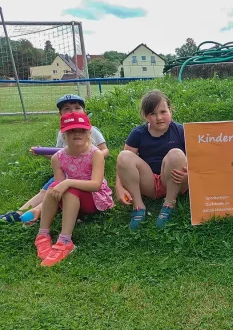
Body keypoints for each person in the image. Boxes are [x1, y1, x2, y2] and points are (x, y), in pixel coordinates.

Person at [0, 94, 109, 224]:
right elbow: (59, 155)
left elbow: (105, 149)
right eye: (67, 109)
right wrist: (43, 152)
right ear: (60, 114)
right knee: (47, 190)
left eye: (77, 108)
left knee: (59, 190)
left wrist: (94, 157)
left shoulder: (90, 130)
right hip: (67, 173)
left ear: (84, 112)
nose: (72, 111)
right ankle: (18, 213)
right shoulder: (63, 133)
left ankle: (37, 211)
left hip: (86, 173)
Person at [34, 112, 114, 267]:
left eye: (82, 130)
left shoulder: (95, 154)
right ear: (63, 135)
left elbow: (96, 184)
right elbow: (58, 189)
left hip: (95, 199)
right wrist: (64, 184)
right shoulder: (57, 157)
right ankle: (42, 235)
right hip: (72, 200)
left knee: (69, 189)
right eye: (71, 130)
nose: (77, 133)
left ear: (89, 133)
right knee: (54, 187)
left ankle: (65, 241)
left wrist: (68, 182)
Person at [115, 89, 188, 230]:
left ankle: (169, 205)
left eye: (163, 112)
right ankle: (138, 206)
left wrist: (189, 175)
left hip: (175, 180)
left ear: (170, 110)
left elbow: (197, 158)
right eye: (152, 114)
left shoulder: (180, 131)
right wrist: (119, 187)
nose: (159, 117)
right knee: (123, 156)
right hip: (149, 183)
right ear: (145, 116)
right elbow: (122, 165)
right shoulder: (138, 133)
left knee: (176, 154)